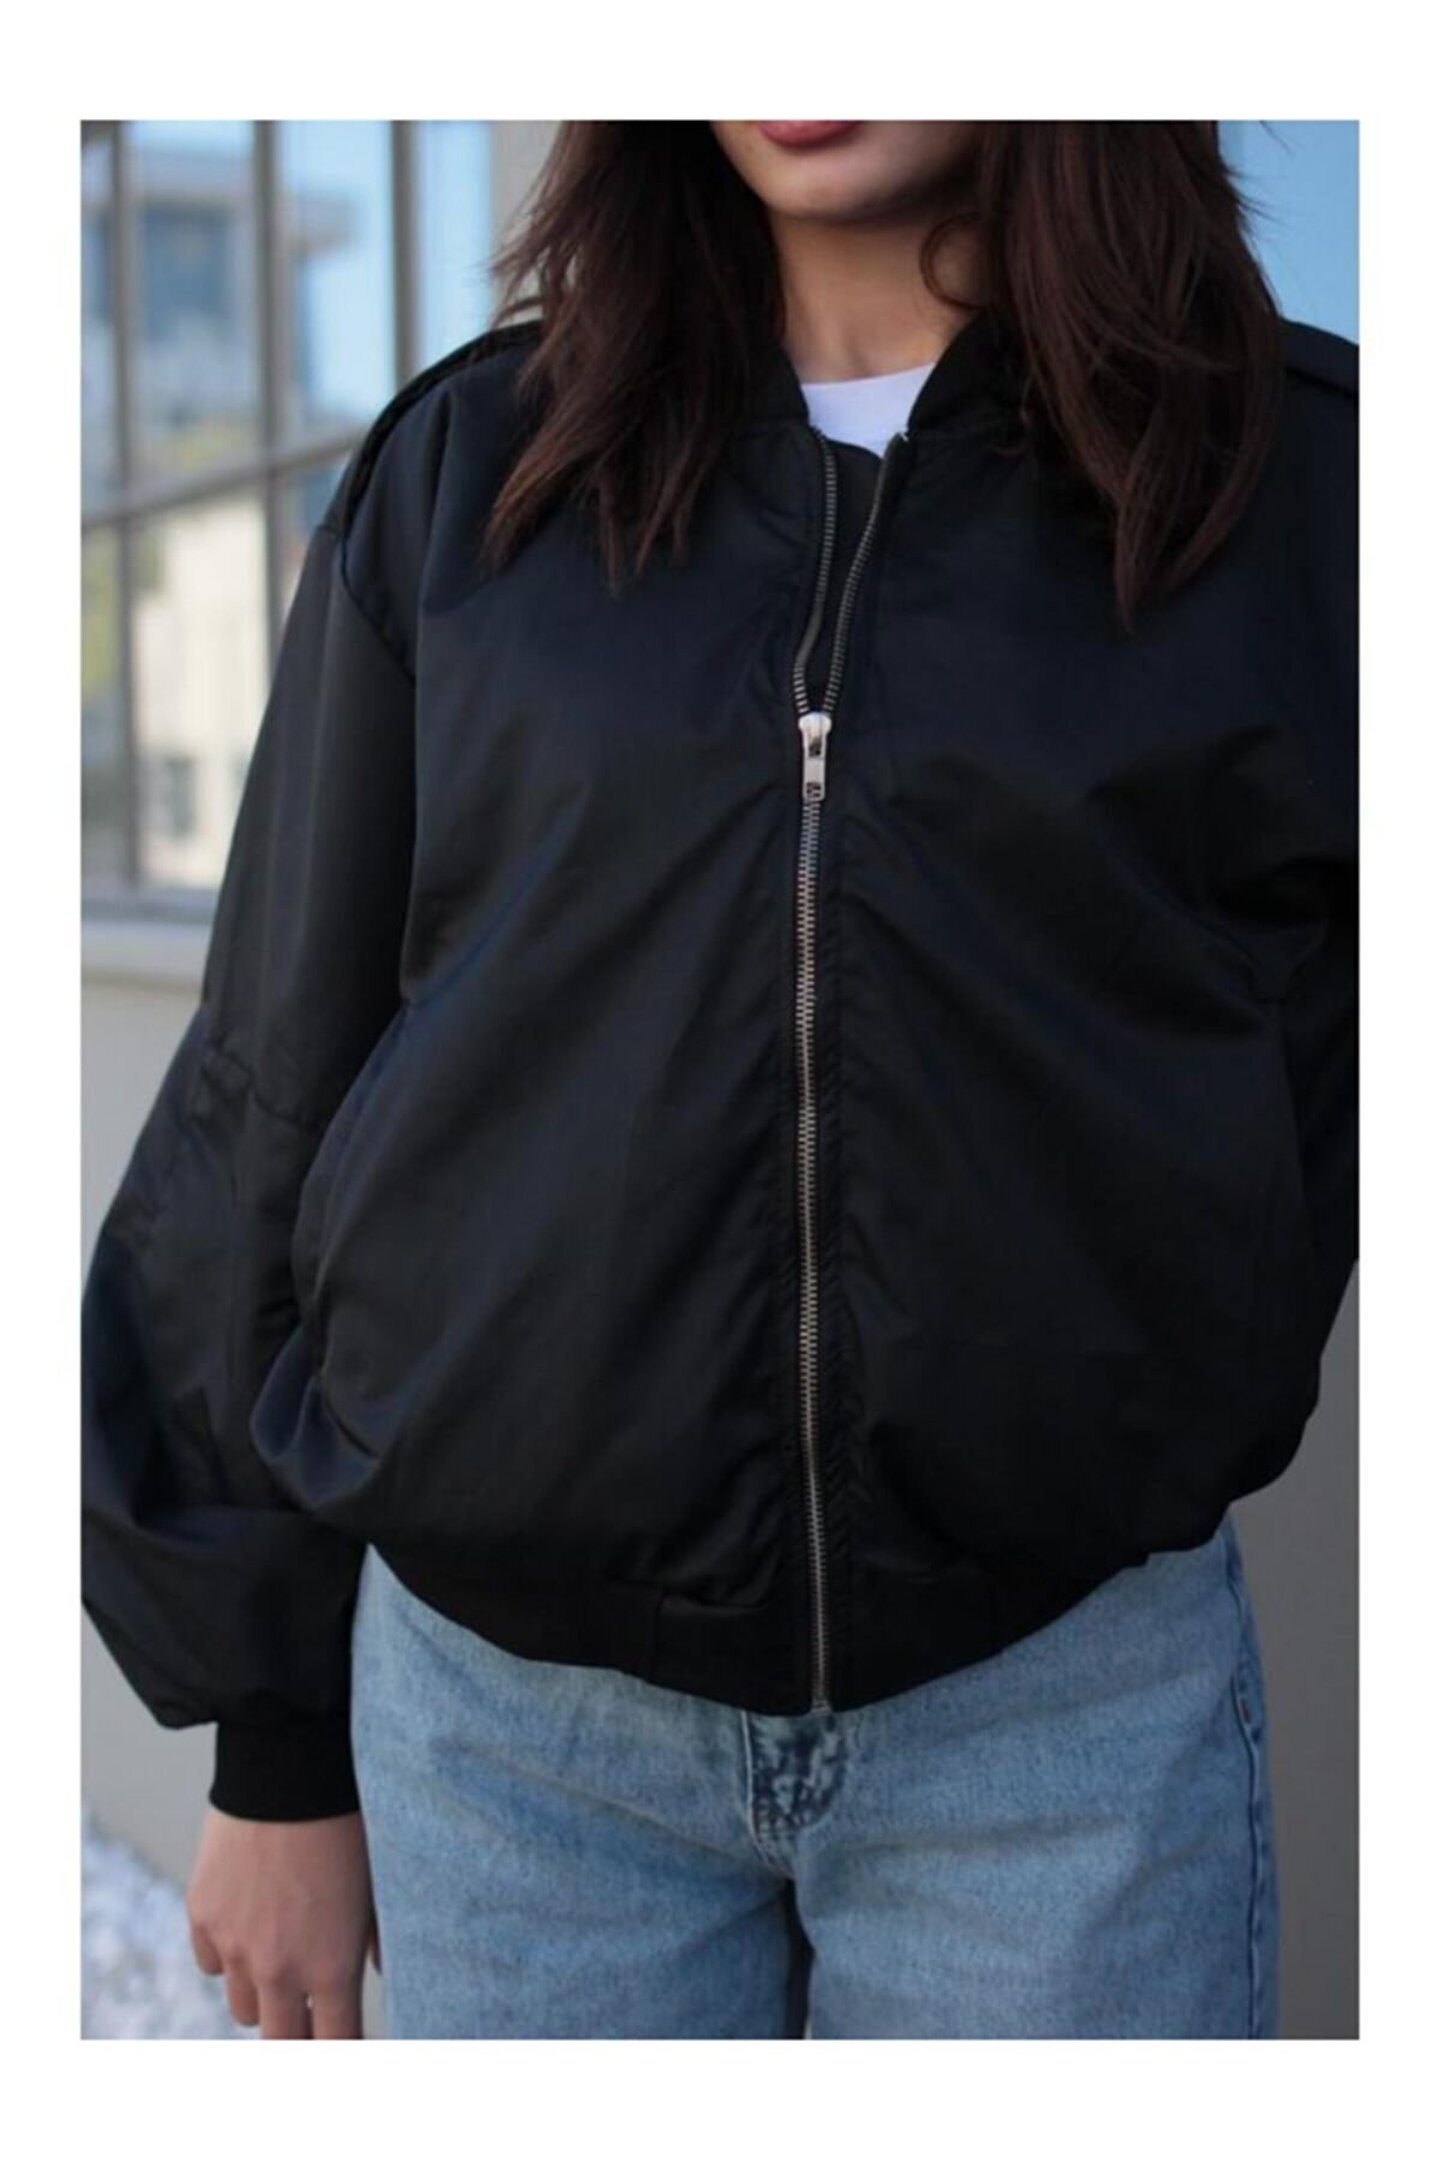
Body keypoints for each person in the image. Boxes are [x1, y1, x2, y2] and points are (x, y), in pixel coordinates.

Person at [81, 121, 1357, 2040]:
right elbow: (277, 1076)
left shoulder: (1303, 483)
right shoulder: (473, 474)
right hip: (517, 1758)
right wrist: (272, 1735)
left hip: (1064, 1730)